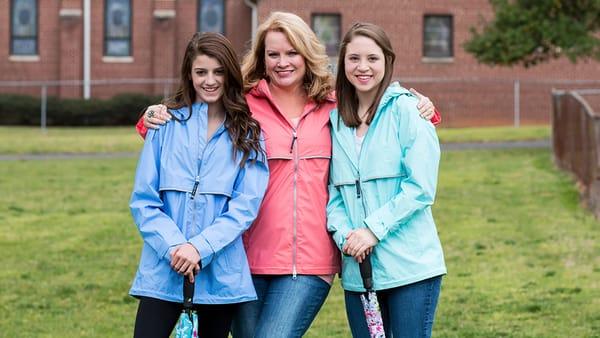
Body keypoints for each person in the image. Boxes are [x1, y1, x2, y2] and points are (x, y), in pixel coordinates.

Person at [136, 12, 440, 338]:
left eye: (292, 52)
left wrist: (425, 107)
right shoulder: (243, 105)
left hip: (309, 263)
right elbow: (194, 127)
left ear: (306, 54)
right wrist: (150, 118)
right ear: (262, 59)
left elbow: (379, 117)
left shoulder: (335, 105)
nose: (283, 62)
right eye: (274, 54)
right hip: (247, 259)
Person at [128, 32, 269, 338]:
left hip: (219, 276)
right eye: (201, 72)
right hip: (163, 271)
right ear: (189, 75)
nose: (210, 81)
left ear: (230, 74)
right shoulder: (164, 126)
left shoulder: (249, 135)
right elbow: (143, 200)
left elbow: (245, 207)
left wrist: (199, 248)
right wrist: (176, 247)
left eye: (218, 72)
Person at [327, 22, 446, 338]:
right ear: (343, 63)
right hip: (358, 271)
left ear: (387, 62)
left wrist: (372, 230)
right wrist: (346, 237)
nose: (362, 67)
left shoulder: (408, 110)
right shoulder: (335, 121)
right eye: (353, 59)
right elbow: (333, 192)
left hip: (411, 268)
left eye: (372, 58)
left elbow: (420, 188)